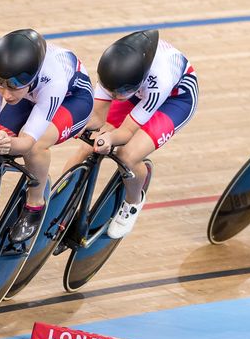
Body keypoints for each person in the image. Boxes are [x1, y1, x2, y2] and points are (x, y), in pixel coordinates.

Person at [62, 30, 198, 238]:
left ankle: (133, 202)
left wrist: (109, 138)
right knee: (86, 146)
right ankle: (59, 202)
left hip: (175, 100)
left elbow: (126, 131)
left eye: (119, 94)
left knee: (128, 156)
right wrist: (75, 125)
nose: (115, 97)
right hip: (134, 90)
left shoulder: (159, 81)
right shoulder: (112, 72)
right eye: (112, 92)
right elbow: (97, 118)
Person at [0, 29, 94, 242]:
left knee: (36, 148)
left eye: (12, 88)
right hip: (30, 95)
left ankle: (35, 204)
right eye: (1, 86)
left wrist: (9, 144)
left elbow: (26, 142)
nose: (6, 95)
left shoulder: (54, 79)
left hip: (72, 101)